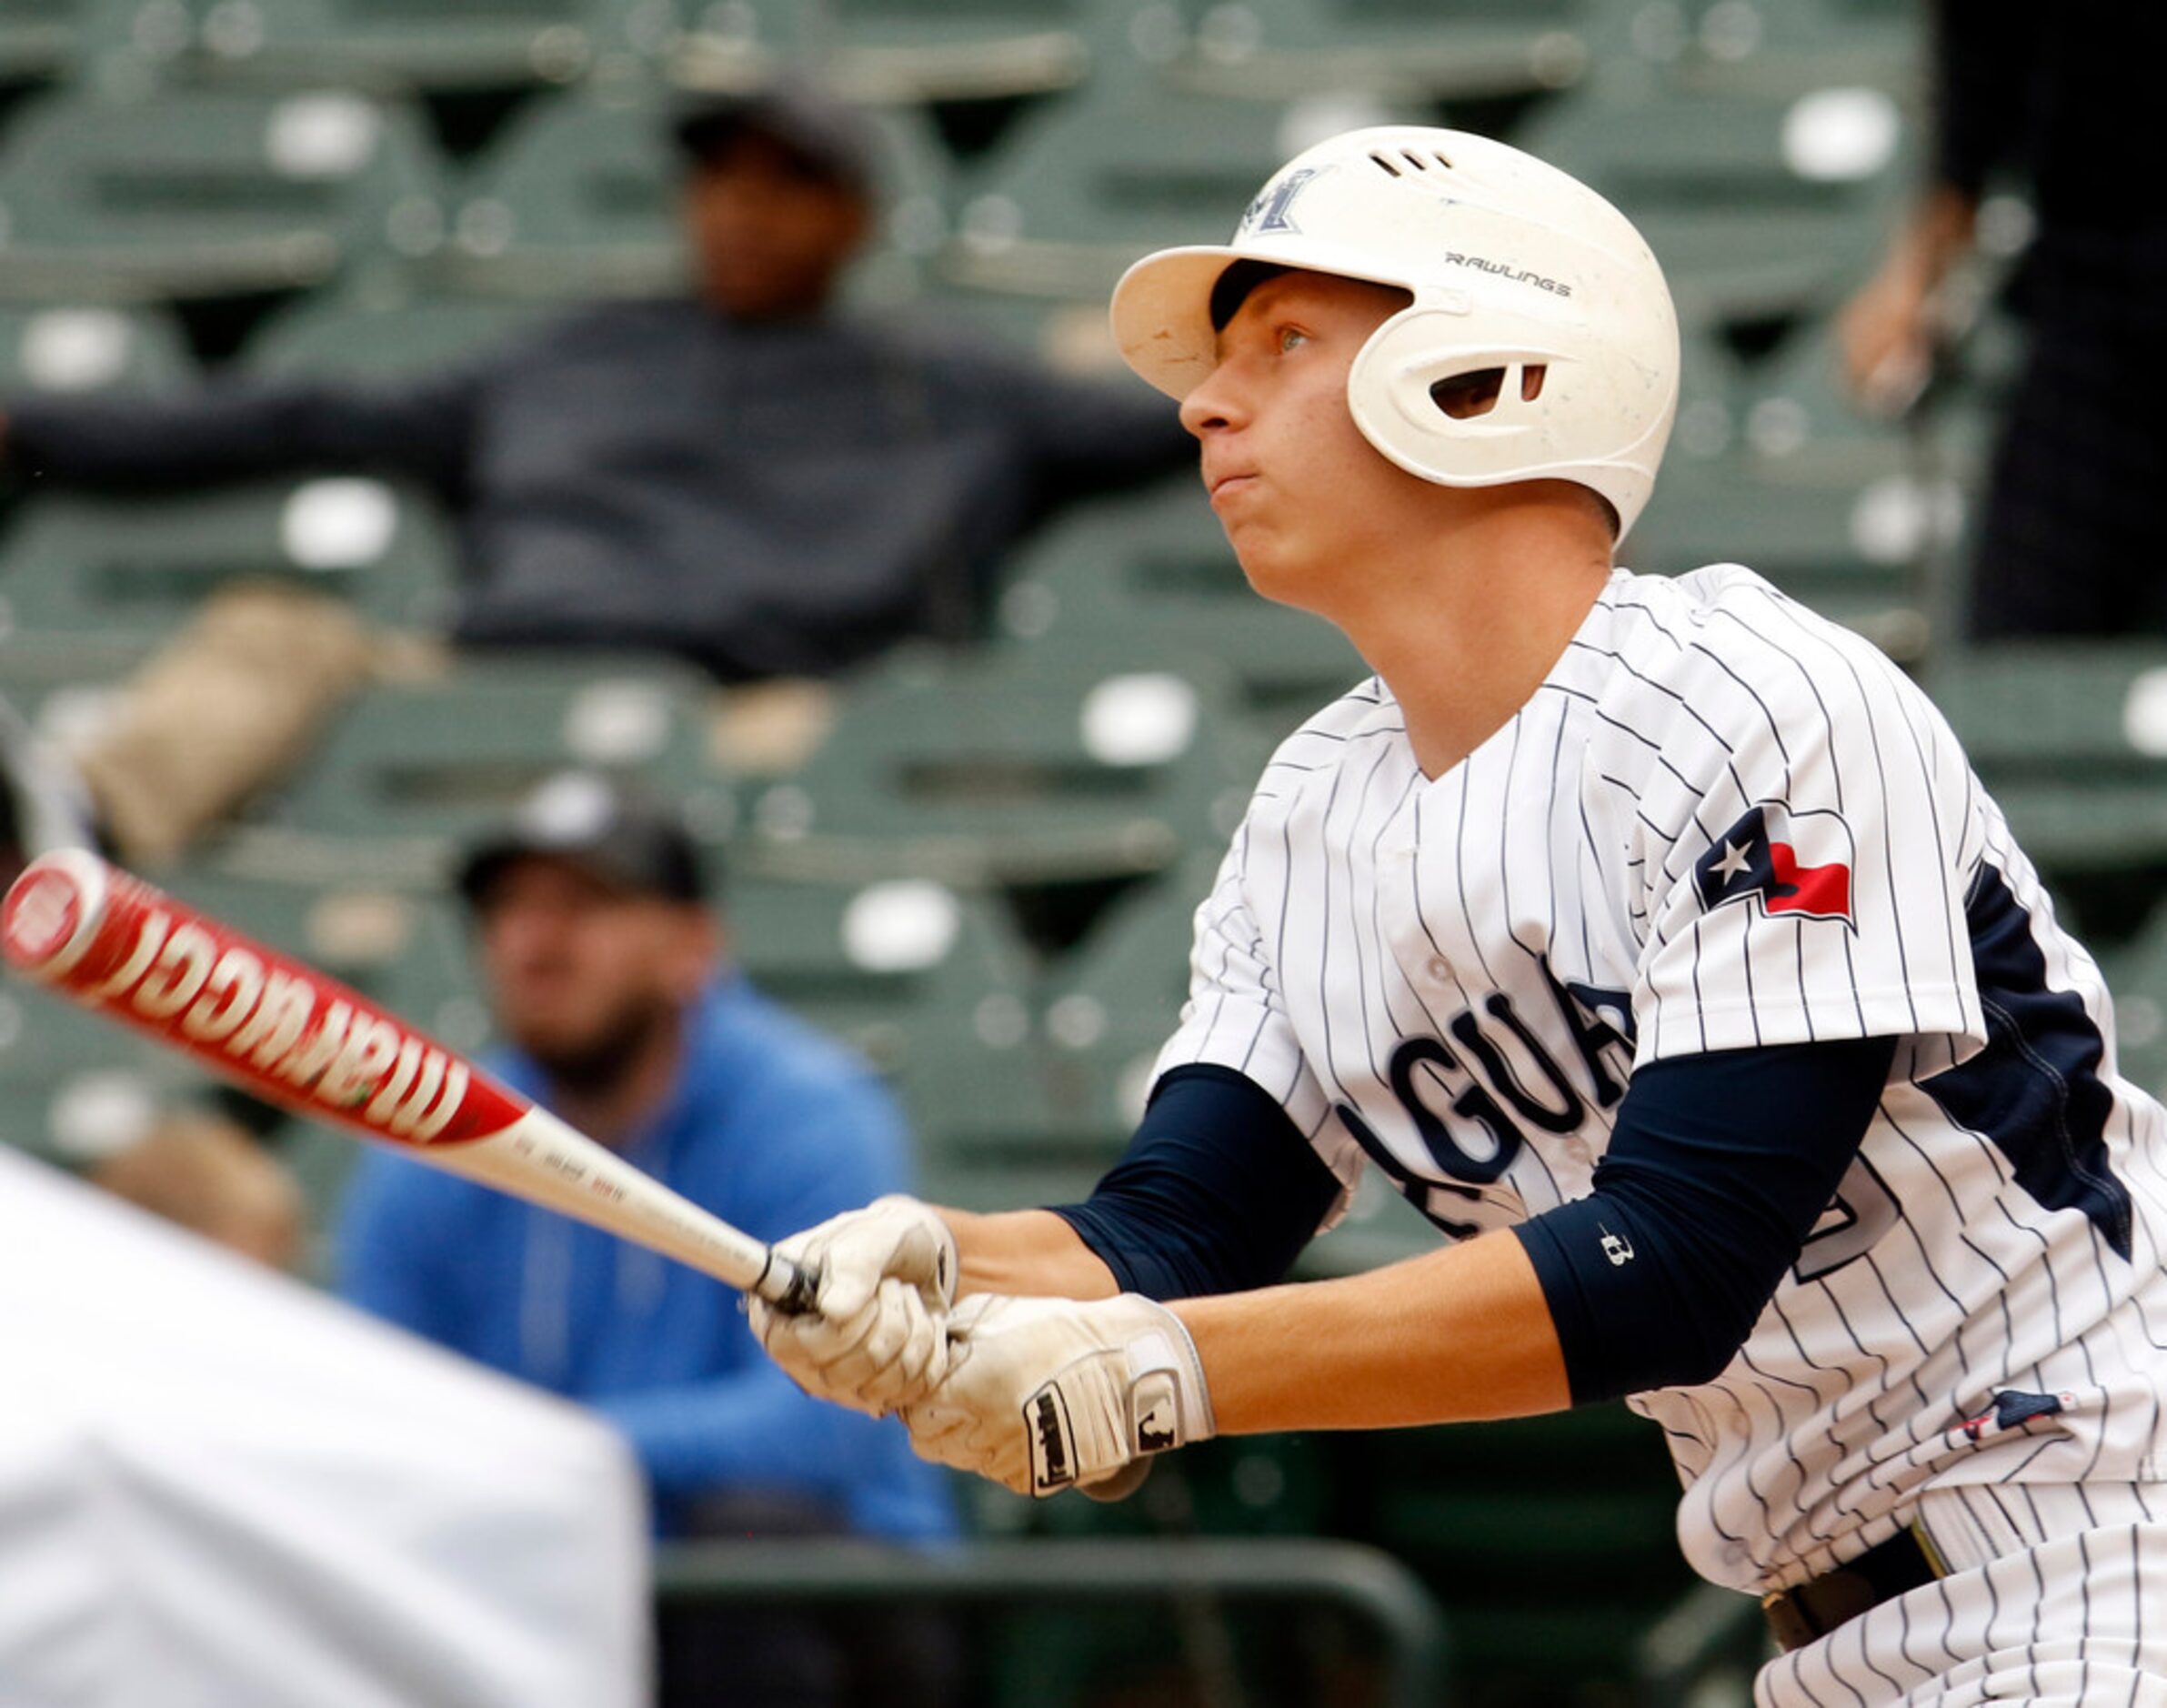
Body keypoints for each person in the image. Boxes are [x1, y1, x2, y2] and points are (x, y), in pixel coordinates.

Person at [751, 126, 2167, 1705]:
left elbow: (1675, 1256)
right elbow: (1174, 1231)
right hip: (1843, 1625)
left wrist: (1170, 1372)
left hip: (2101, 1538)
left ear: (1491, 375)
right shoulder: (1309, 808)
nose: (1202, 402)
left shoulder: (1758, 698)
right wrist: (942, 1263)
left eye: (1282, 343)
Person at [0, 77, 1195, 860]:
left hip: (747, 708)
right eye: (720, 176)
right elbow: (304, 417)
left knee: (790, 773)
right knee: (271, 628)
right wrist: (37, 430)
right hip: (484, 668)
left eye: (787, 182)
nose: (742, 209)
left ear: (855, 217)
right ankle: (65, 833)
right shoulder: (577, 351)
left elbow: (1180, 422)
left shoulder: (945, 381)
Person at [334, 772, 958, 1704]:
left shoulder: (806, 1113)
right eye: (509, 909)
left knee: (751, 1538)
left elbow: (826, 1427)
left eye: (586, 905)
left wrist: (551, 1451)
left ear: (690, 947)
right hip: (540, 1573)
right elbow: (371, 1413)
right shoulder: (437, 1144)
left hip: (824, 1597)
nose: (534, 943)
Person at [1839, 0, 2167, 638]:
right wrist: (1909, 281)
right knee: (2018, 649)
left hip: (2091, 307)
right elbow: (1972, 114)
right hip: (2091, 327)